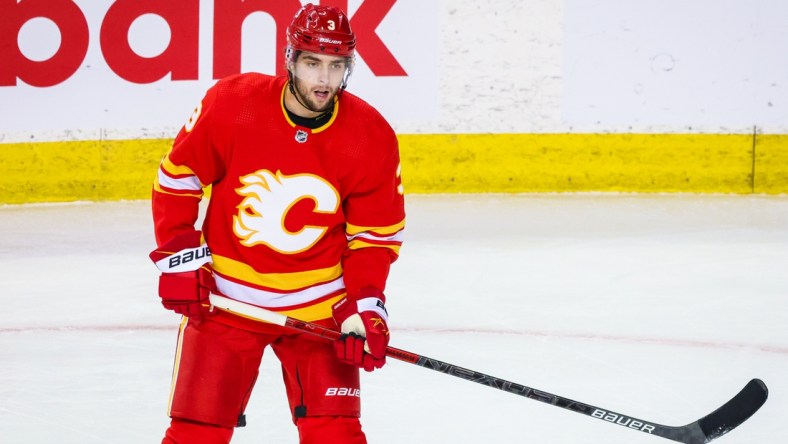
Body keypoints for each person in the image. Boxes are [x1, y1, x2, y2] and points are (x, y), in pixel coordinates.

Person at [148, 4, 405, 443]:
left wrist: (365, 304)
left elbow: (374, 237)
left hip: (321, 312)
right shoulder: (234, 105)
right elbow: (178, 179)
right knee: (195, 435)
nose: (324, 81)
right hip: (228, 303)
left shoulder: (370, 135)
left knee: (336, 435)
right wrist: (179, 255)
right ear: (290, 59)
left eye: (336, 66)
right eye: (312, 64)